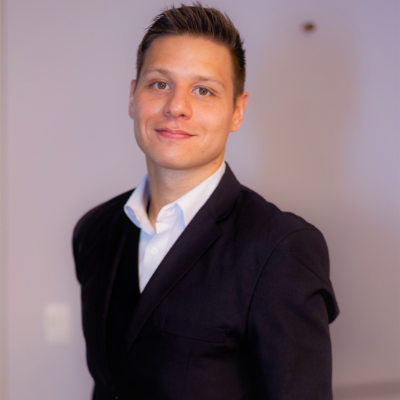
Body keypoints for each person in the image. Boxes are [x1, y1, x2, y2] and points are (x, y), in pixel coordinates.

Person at [72, 3, 339, 400]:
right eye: (159, 84)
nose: (176, 107)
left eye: (203, 90)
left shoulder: (280, 249)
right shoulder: (94, 231)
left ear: (237, 111)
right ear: (133, 97)